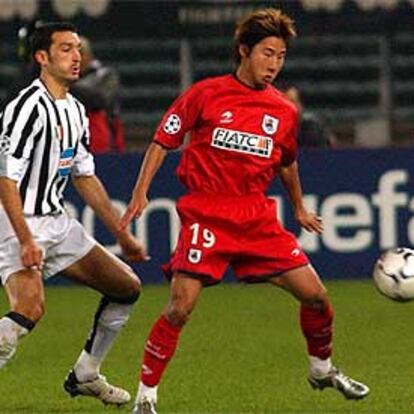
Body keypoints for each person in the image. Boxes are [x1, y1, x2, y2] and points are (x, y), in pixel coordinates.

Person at [120, 8, 369, 414]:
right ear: (243, 51)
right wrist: (140, 193)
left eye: (281, 56)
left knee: (318, 298)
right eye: (267, 53)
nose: (274, 64)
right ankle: (146, 397)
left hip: (256, 218)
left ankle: (321, 369)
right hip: (207, 212)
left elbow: (286, 161)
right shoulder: (205, 94)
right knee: (180, 306)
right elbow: (163, 140)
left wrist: (300, 207)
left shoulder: (284, 111)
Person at [0, 22, 146, 406]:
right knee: (29, 308)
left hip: (57, 221)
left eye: (77, 48)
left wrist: (122, 234)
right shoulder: (26, 108)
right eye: (65, 49)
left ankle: (86, 374)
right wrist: (27, 239)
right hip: (16, 220)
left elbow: (85, 178)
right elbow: (5, 180)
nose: (76, 55)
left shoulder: (76, 111)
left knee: (126, 287)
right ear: (42, 58)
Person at [70, 36, 126, 154]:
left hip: (101, 135)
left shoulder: (105, 75)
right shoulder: (65, 78)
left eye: (80, 53)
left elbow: (102, 100)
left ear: (89, 55)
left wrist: (70, 88)